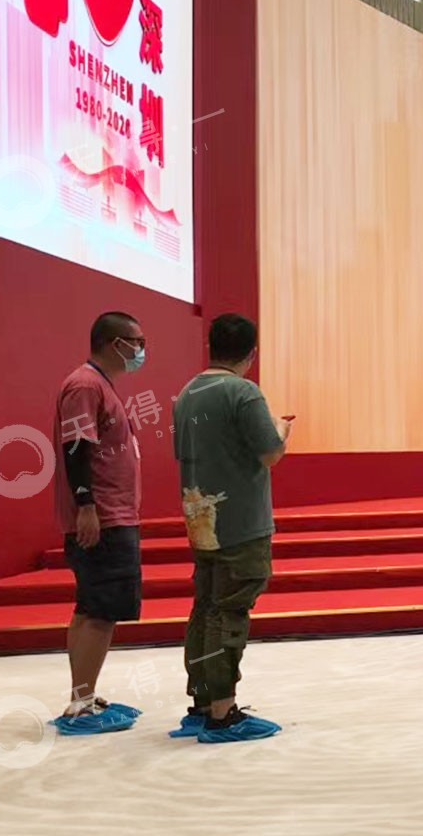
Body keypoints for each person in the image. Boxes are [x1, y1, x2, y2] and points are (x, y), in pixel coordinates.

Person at [170, 314, 291, 744]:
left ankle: (203, 704)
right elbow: (269, 452)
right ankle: (224, 712)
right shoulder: (243, 392)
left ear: (211, 346)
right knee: (231, 610)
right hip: (240, 521)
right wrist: (282, 429)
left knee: (205, 608)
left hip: (200, 518)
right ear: (251, 354)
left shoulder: (187, 393)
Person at [50, 311, 149, 735]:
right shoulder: (86, 386)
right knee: (101, 612)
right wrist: (86, 506)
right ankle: (82, 704)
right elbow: (76, 448)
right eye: (137, 341)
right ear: (114, 343)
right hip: (104, 518)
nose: (141, 350)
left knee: (91, 607)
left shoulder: (99, 386)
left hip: (109, 514)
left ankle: (83, 694)